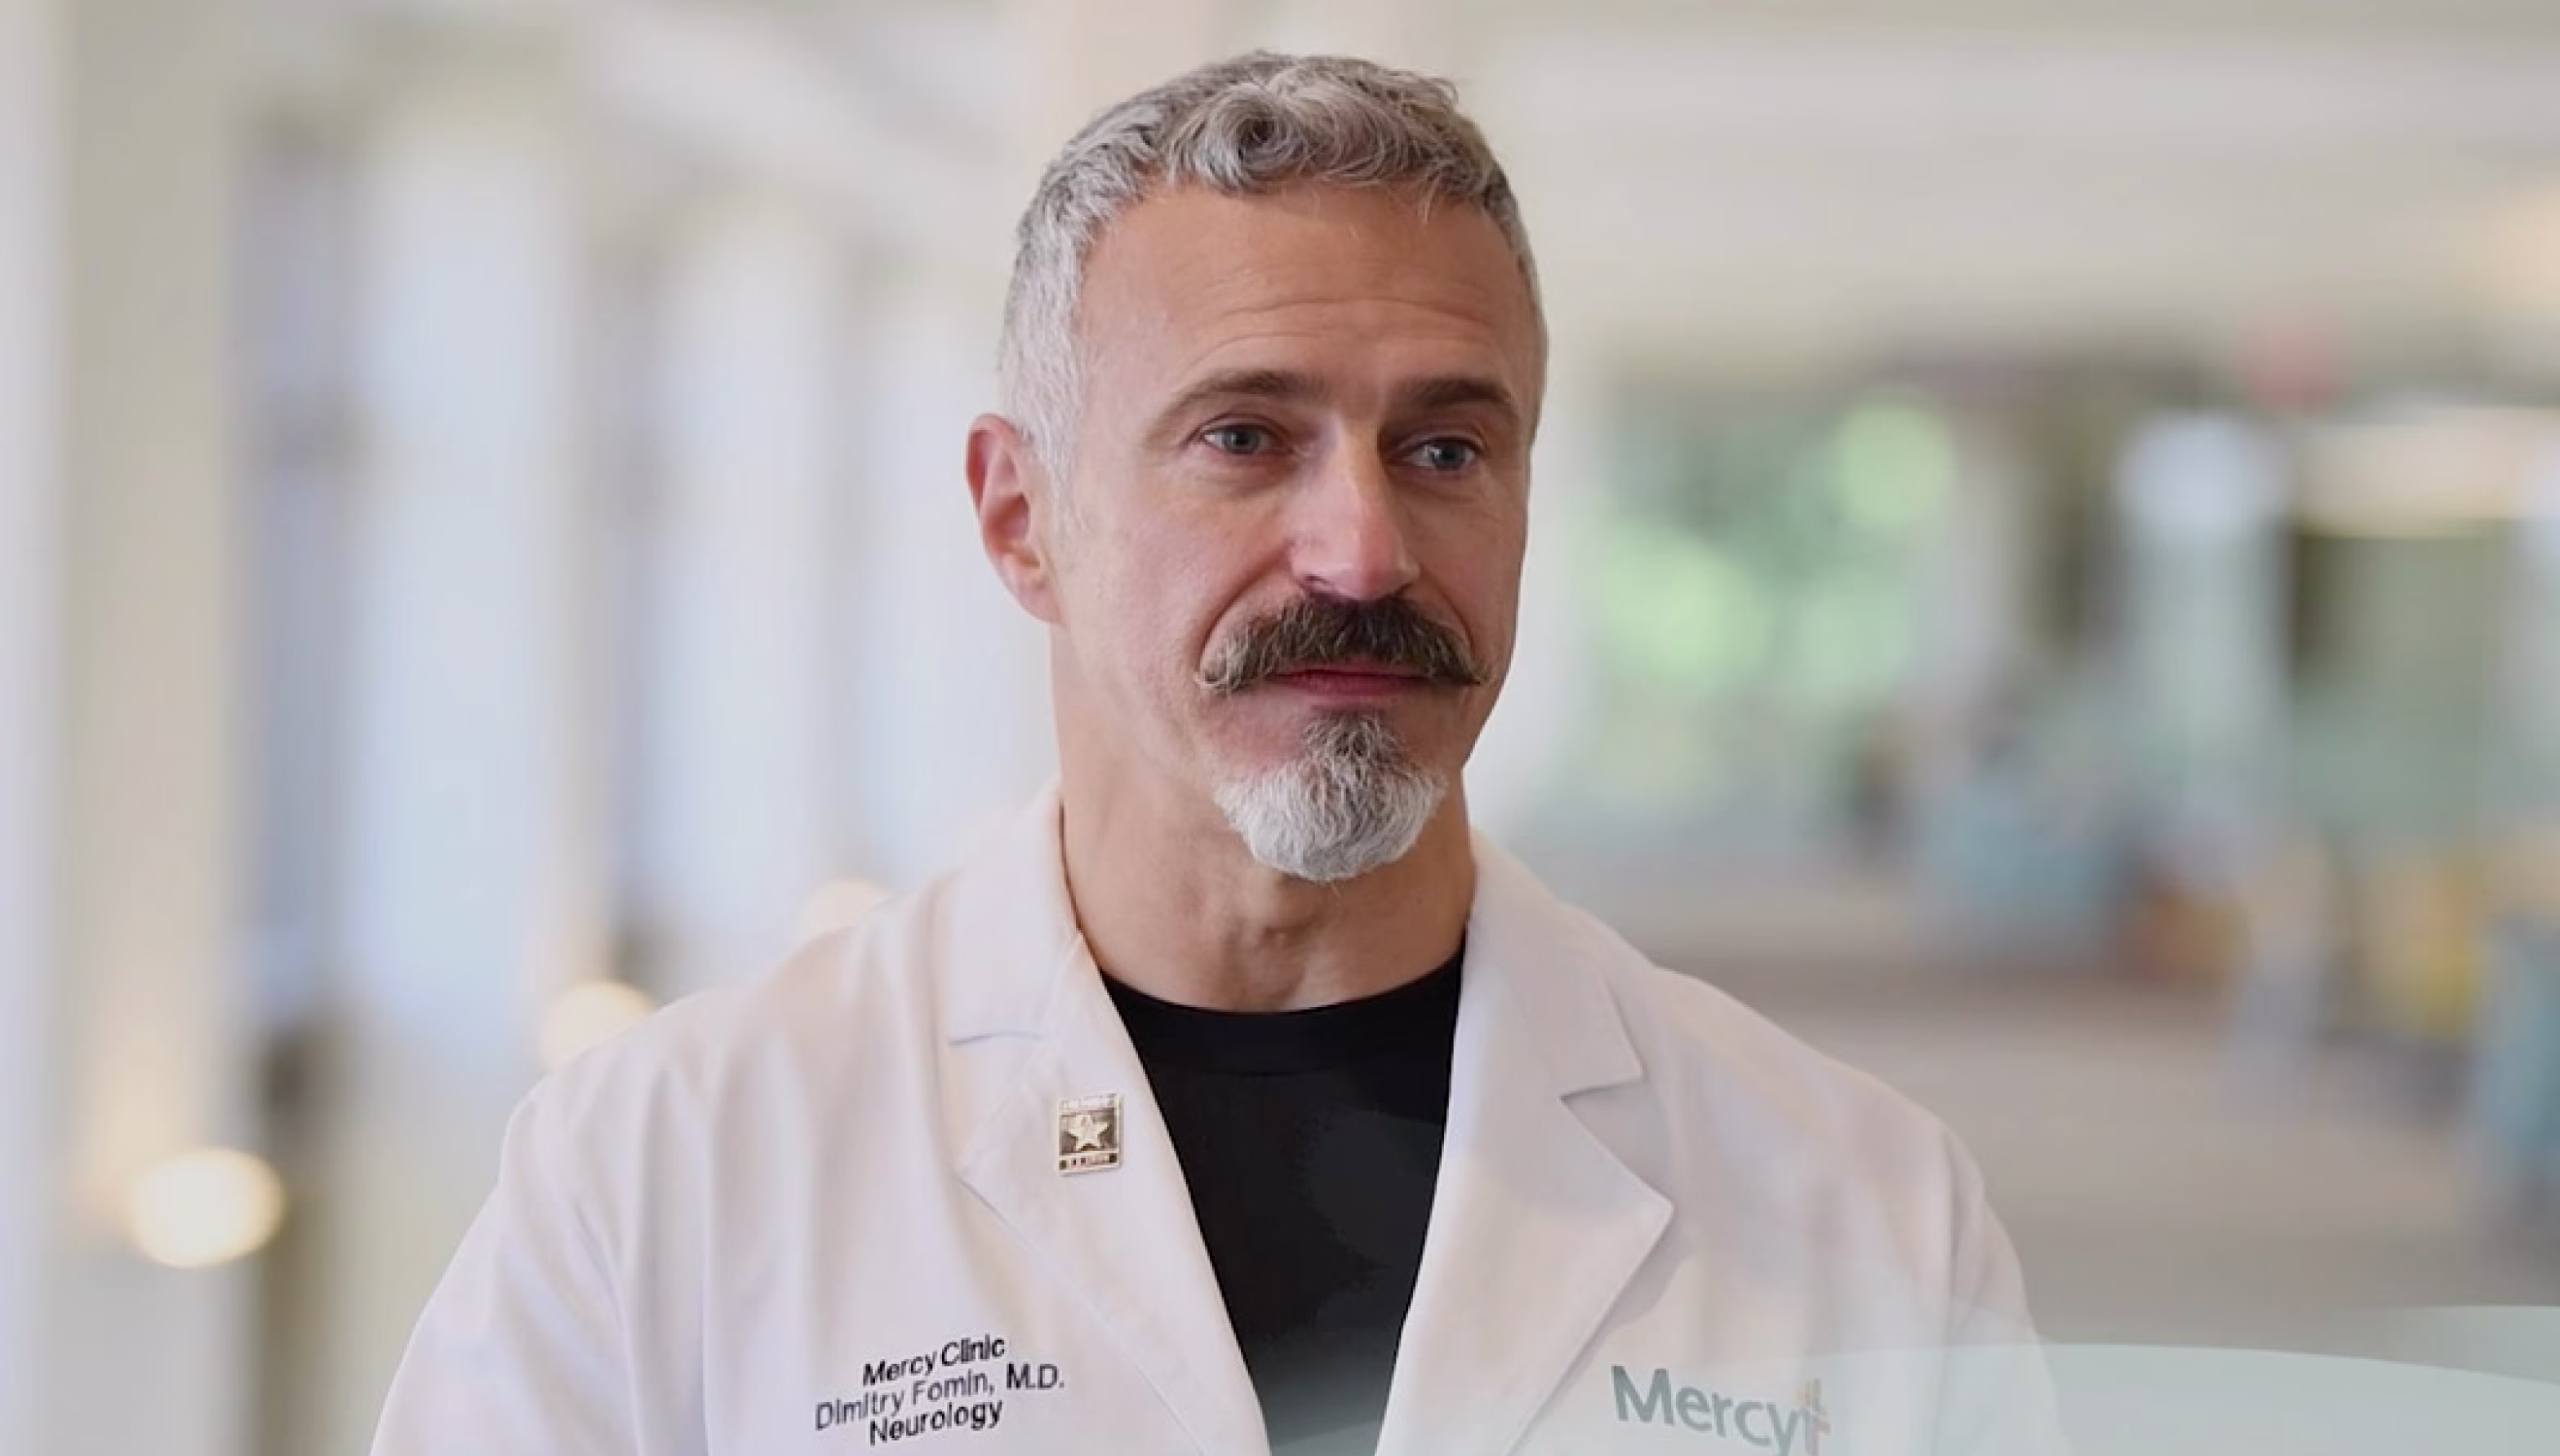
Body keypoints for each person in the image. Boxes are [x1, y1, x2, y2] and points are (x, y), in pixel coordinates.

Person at [370, 51, 2064, 1456]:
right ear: (1020, 518)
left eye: (1445, 448)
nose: (1362, 553)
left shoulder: (1857, 1207)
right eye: (1244, 437)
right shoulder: (665, 1179)